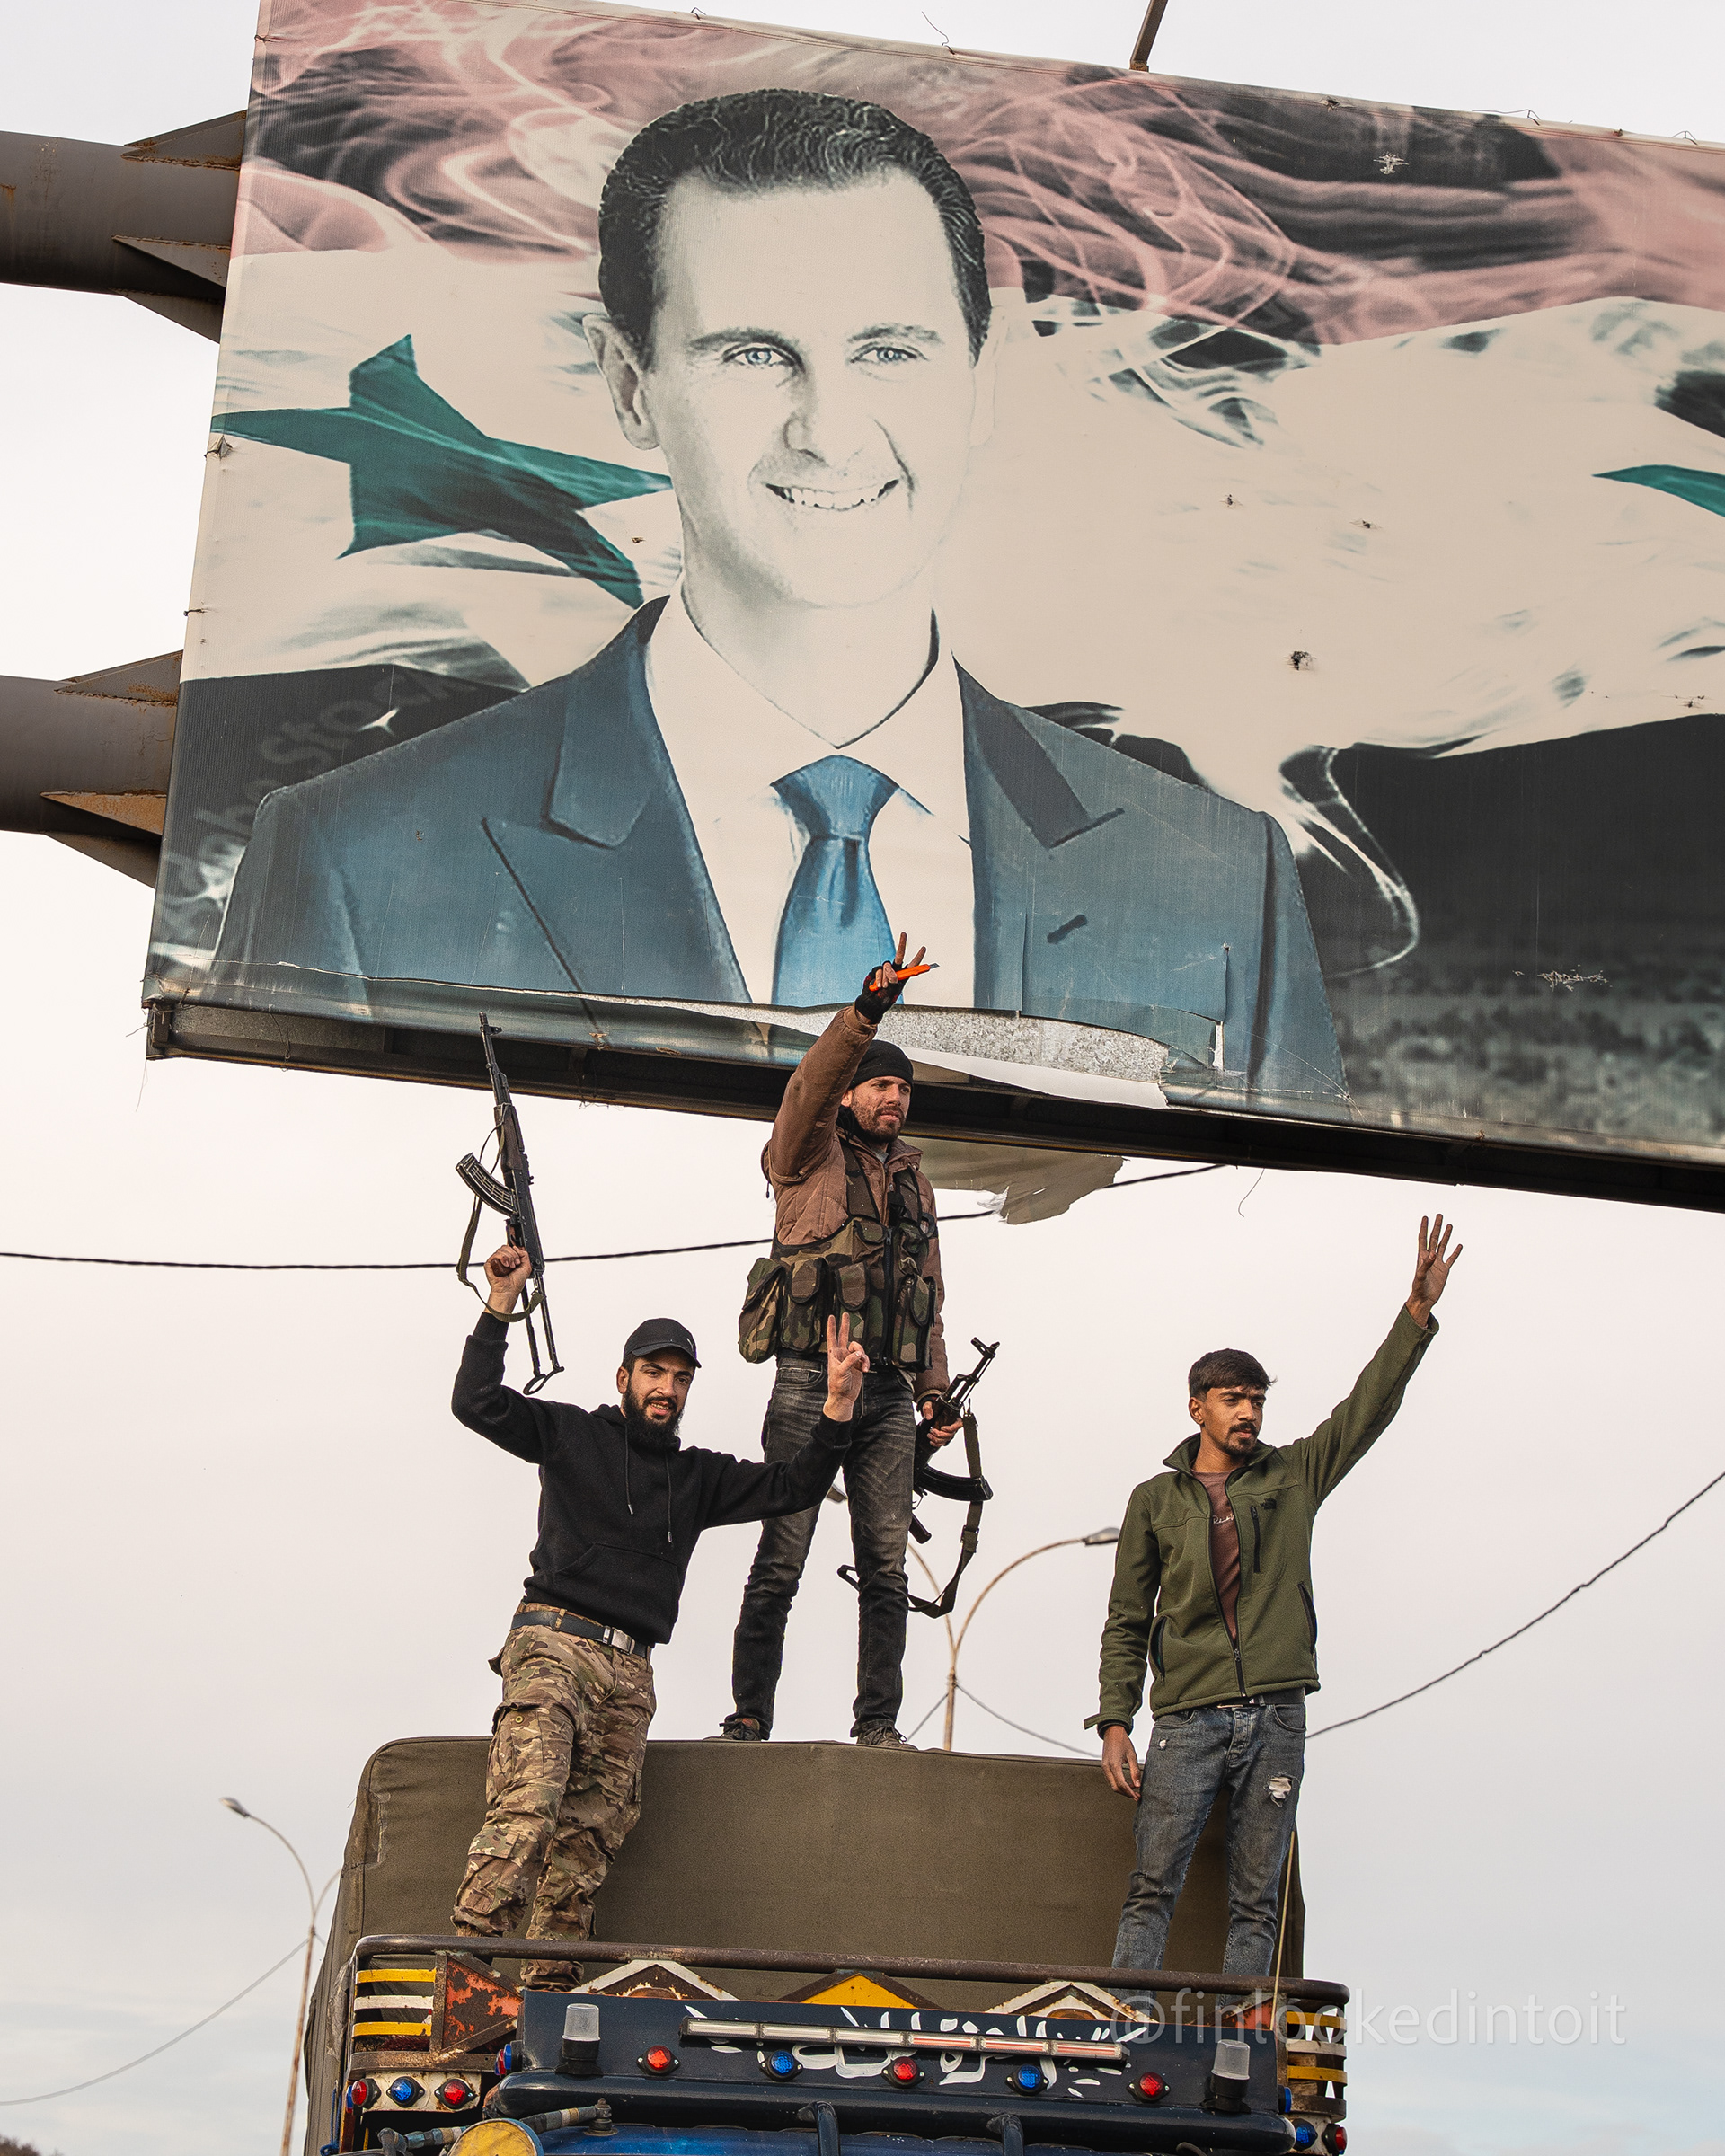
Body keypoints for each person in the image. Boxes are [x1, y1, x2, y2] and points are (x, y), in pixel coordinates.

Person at [209, 85, 1343, 1104]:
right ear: (630, 387)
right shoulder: (352, 861)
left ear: (979, 383)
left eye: (890, 352)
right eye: (754, 354)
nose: (829, 430)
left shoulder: (1217, 880)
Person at [449, 1239, 868, 1985]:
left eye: (679, 1378)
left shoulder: (697, 1475)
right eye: (653, 1373)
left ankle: (547, 1995)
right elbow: (475, 1404)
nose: (666, 1389)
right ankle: (469, 1974)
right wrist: (501, 1303)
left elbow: (792, 1486)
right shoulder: (570, 1432)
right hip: (556, 1642)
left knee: (588, 1844)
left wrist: (837, 1407)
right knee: (531, 1806)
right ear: (624, 1378)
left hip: (631, 1671)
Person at [1092, 1215, 1463, 2013]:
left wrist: (1414, 1318)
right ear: (1197, 1408)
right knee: (1153, 1883)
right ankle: (1126, 2027)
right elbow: (1127, 1618)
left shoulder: (1294, 1477)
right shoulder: (1155, 1501)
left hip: (1277, 1716)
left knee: (1258, 1895)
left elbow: (1364, 1411)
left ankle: (1241, 2033)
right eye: (1233, 1399)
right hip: (1187, 1720)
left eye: (1256, 1399)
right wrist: (1114, 1720)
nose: (1248, 1412)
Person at [721, 937, 960, 1748]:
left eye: (902, 1087)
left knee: (885, 1569)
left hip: (890, 1391)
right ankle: (750, 1717)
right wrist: (867, 1012)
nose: (893, 1097)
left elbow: (926, 1293)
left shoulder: (915, 1180)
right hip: (809, 1382)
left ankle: (878, 1726)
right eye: (880, 1084)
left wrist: (935, 1388)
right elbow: (809, 1085)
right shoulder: (806, 1155)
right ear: (853, 1094)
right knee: (780, 1556)